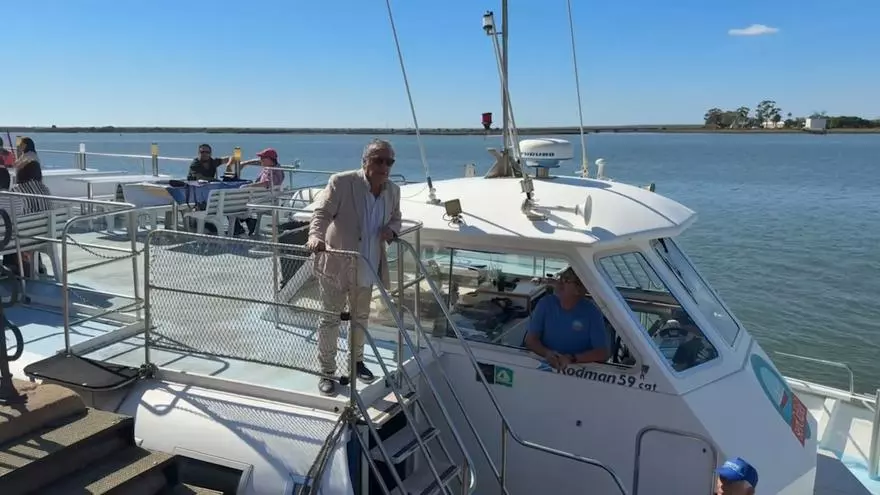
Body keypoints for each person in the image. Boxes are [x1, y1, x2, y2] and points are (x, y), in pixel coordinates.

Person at [307, 138, 401, 396]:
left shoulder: (393, 190)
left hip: (369, 265)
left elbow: (396, 218)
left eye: (389, 161)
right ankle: (327, 372)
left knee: (360, 319)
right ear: (365, 161)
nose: (384, 166)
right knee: (330, 319)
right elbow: (322, 214)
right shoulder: (342, 182)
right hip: (337, 266)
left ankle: (357, 362)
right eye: (378, 160)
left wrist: (391, 231)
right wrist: (315, 237)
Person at [525, 267, 609, 371]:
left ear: (579, 289)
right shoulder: (545, 304)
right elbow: (530, 340)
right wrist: (547, 353)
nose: (559, 283)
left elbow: (602, 353)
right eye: (561, 278)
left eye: (567, 280)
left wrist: (572, 358)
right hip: (546, 365)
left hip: (578, 370)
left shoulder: (592, 312)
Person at [232, 148, 285, 236]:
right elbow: (257, 162)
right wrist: (246, 163)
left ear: (269, 159)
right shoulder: (274, 166)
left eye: (262, 158)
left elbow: (267, 183)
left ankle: (240, 226)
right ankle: (248, 222)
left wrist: (249, 186)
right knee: (235, 200)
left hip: (262, 201)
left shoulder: (272, 171)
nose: (260, 160)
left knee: (232, 204)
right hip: (266, 198)